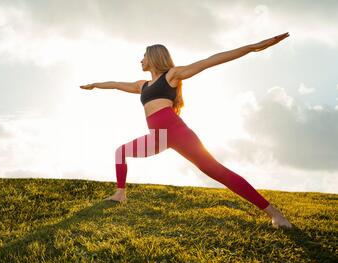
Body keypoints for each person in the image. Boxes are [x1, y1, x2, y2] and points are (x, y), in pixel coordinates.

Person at [80, 32, 292, 229]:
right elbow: (116, 84)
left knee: (218, 172)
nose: (140, 60)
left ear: (154, 57)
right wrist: (96, 84)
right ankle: (120, 194)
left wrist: (255, 46)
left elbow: (209, 61)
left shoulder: (172, 75)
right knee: (121, 152)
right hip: (159, 138)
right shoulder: (142, 86)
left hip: (178, 133)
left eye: (143, 56)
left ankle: (275, 214)